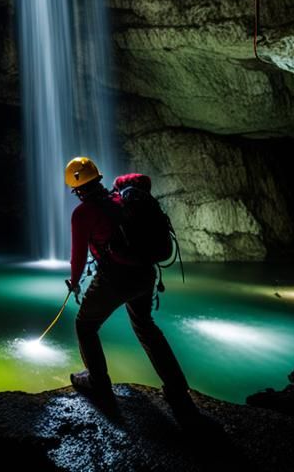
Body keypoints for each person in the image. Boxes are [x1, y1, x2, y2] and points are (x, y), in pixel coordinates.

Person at [64, 155, 199, 423]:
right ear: (99, 178)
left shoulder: (83, 213)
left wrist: (75, 281)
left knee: (85, 326)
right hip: (145, 273)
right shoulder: (121, 198)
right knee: (146, 326)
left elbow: (78, 256)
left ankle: (98, 382)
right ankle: (177, 391)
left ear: (77, 189)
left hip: (116, 278)